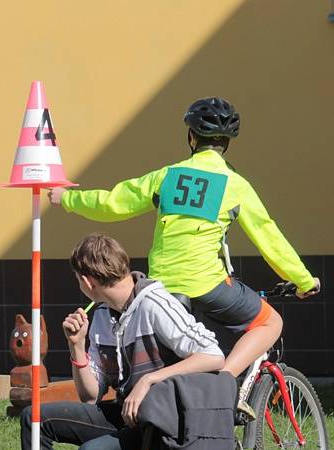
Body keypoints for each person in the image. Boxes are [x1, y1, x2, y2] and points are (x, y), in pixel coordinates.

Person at [48, 97, 320, 385]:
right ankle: (224, 382)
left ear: (191, 137)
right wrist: (303, 281)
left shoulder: (167, 177)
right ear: (226, 143)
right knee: (269, 322)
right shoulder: (235, 185)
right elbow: (269, 237)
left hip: (162, 288)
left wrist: (67, 198)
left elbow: (114, 203)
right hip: (207, 284)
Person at [18, 233, 225, 450]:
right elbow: (90, 394)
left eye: (77, 278)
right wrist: (76, 348)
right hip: (128, 415)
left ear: (87, 282)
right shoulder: (102, 314)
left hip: (163, 425)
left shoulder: (155, 303)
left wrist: (150, 380)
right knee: (35, 419)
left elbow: (213, 354)